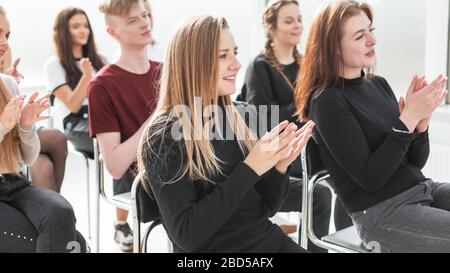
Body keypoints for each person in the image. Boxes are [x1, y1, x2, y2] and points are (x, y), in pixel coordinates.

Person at [137, 15, 315, 253]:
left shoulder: (239, 118)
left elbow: (266, 208)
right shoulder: (164, 136)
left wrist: (279, 168)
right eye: (223, 55)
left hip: (267, 242)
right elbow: (187, 236)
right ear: (193, 62)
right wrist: (250, 168)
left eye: (235, 52)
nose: (236, 64)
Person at [295, 0, 450, 253]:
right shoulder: (327, 101)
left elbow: (415, 163)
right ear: (333, 47)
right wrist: (407, 119)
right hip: (382, 214)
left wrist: (421, 124)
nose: (372, 40)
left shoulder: (379, 84)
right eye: (359, 35)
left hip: (423, 189)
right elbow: (371, 179)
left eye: (371, 30)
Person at [241, 0, 352, 251]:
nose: (297, 25)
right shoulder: (260, 67)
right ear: (272, 28)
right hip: (281, 158)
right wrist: (306, 111)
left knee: (351, 179)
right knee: (320, 193)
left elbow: (323, 104)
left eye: (299, 19)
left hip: (309, 151)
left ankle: (345, 245)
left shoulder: (307, 64)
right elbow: (262, 119)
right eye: (288, 21)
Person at [88, 0, 161, 252]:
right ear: (112, 32)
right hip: (142, 181)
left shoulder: (166, 72)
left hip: (180, 170)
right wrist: (156, 118)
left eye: (144, 15)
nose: (144, 23)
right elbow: (116, 166)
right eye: (132, 20)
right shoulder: (102, 86)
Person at [0, 73, 86, 253]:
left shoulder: (7, 83)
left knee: (62, 212)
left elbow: (28, 158)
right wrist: (3, 126)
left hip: (14, 184)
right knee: (75, 244)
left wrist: (26, 126)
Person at [0, 9, 68, 193]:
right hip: (8, 126)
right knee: (55, 140)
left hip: (13, 122)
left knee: (46, 160)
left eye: (7, 35)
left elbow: (5, 90)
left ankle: (51, 204)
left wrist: (8, 78)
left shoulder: (6, 53)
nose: (4, 43)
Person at [45, 7, 107, 159]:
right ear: (63, 31)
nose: (83, 31)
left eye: (86, 26)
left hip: (104, 116)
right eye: (76, 26)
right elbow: (73, 105)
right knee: (115, 137)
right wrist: (86, 77)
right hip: (77, 122)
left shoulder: (101, 60)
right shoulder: (54, 64)